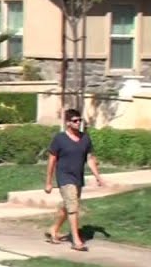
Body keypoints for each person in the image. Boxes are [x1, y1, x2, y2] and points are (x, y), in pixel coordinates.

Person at [45, 108, 106, 251]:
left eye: (80, 120)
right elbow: (52, 160)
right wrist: (48, 181)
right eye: (75, 121)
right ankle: (76, 240)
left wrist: (98, 177)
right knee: (73, 207)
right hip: (64, 177)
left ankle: (53, 229)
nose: (78, 123)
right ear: (67, 123)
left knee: (68, 207)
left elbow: (90, 159)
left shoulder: (85, 138)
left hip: (77, 177)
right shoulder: (59, 139)